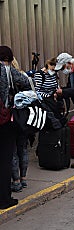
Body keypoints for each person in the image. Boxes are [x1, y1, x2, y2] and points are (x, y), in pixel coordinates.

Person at [0, 46, 29, 209]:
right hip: (4, 120)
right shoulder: (7, 70)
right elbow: (26, 82)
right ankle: (4, 198)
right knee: (6, 159)